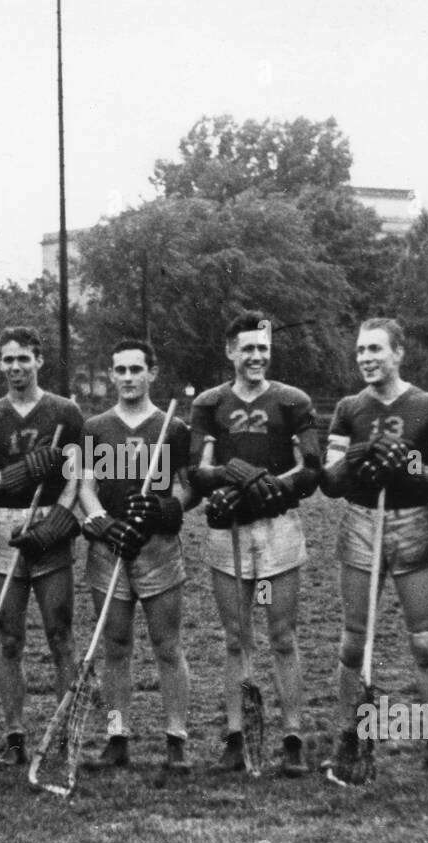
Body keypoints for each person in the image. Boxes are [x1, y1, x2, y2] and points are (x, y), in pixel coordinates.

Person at [321, 318, 428, 781]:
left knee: (424, 641)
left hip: (412, 522)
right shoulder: (348, 407)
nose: (366, 358)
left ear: (398, 352)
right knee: (352, 641)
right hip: (362, 521)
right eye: (361, 350)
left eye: (375, 349)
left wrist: (410, 466)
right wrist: (355, 460)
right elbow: (330, 479)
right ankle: (347, 737)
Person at [188, 312, 322, 777]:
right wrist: (231, 477)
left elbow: (310, 469)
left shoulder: (292, 400)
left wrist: (271, 484)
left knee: (282, 636)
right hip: (230, 529)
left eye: (263, 348)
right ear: (230, 351)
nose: (256, 356)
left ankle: (292, 737)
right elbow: (198, 471)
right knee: (236, 637)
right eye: (247, 348)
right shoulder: (210, 403)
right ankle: (236, 735)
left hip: (277, 526)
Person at [76, 339, 193, 772]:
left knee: (167, 645)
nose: (127, 378)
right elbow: (84, 487)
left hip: (156, 548)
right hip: (109, 549)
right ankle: (116, 735)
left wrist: (165, 509)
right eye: (120, 370)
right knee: (115, 646)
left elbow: (188, 488)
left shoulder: (172, 428)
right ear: (112, 374)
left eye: (136, 369)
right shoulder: (94, 427)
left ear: (151, 373)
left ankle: (176, 738)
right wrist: (104, 523)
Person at [0, 326, 84, 766]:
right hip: (4, 527)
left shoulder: (64, 411)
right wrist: (20, 472)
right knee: (10, 638)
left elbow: (76, 475)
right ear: (0, 364)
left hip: (49, 524)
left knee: (60, 634)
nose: (15, 366)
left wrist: (59, 520)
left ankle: (63, 733)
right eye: (8, 359)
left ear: (38, 360)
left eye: (23, 358)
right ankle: (14, 735)